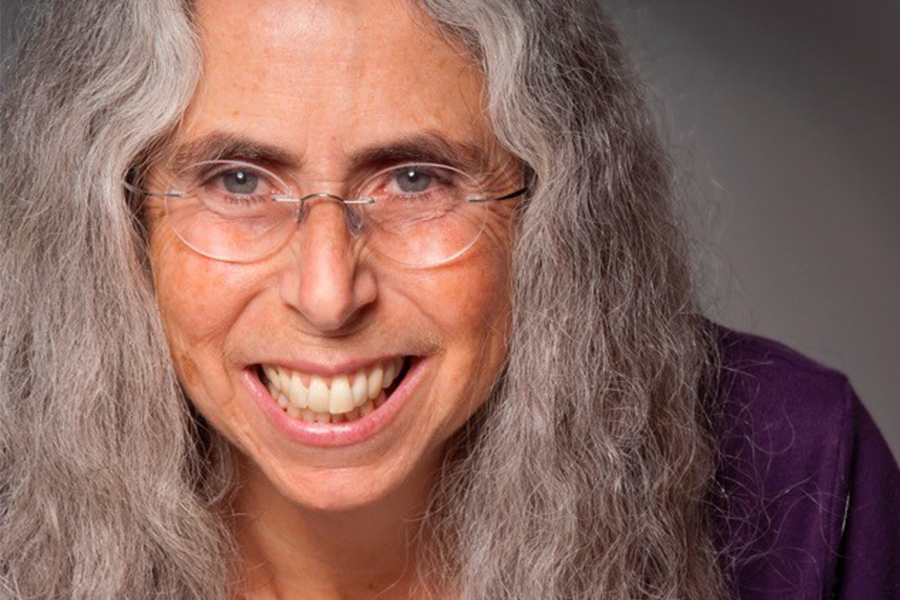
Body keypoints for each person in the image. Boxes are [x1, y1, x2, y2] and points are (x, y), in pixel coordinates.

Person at [1, 0, 897, 598]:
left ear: (555, 210)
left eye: (415, 179)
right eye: (238, 180)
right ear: (116, 211)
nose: (326, 294)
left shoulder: (798, 469)